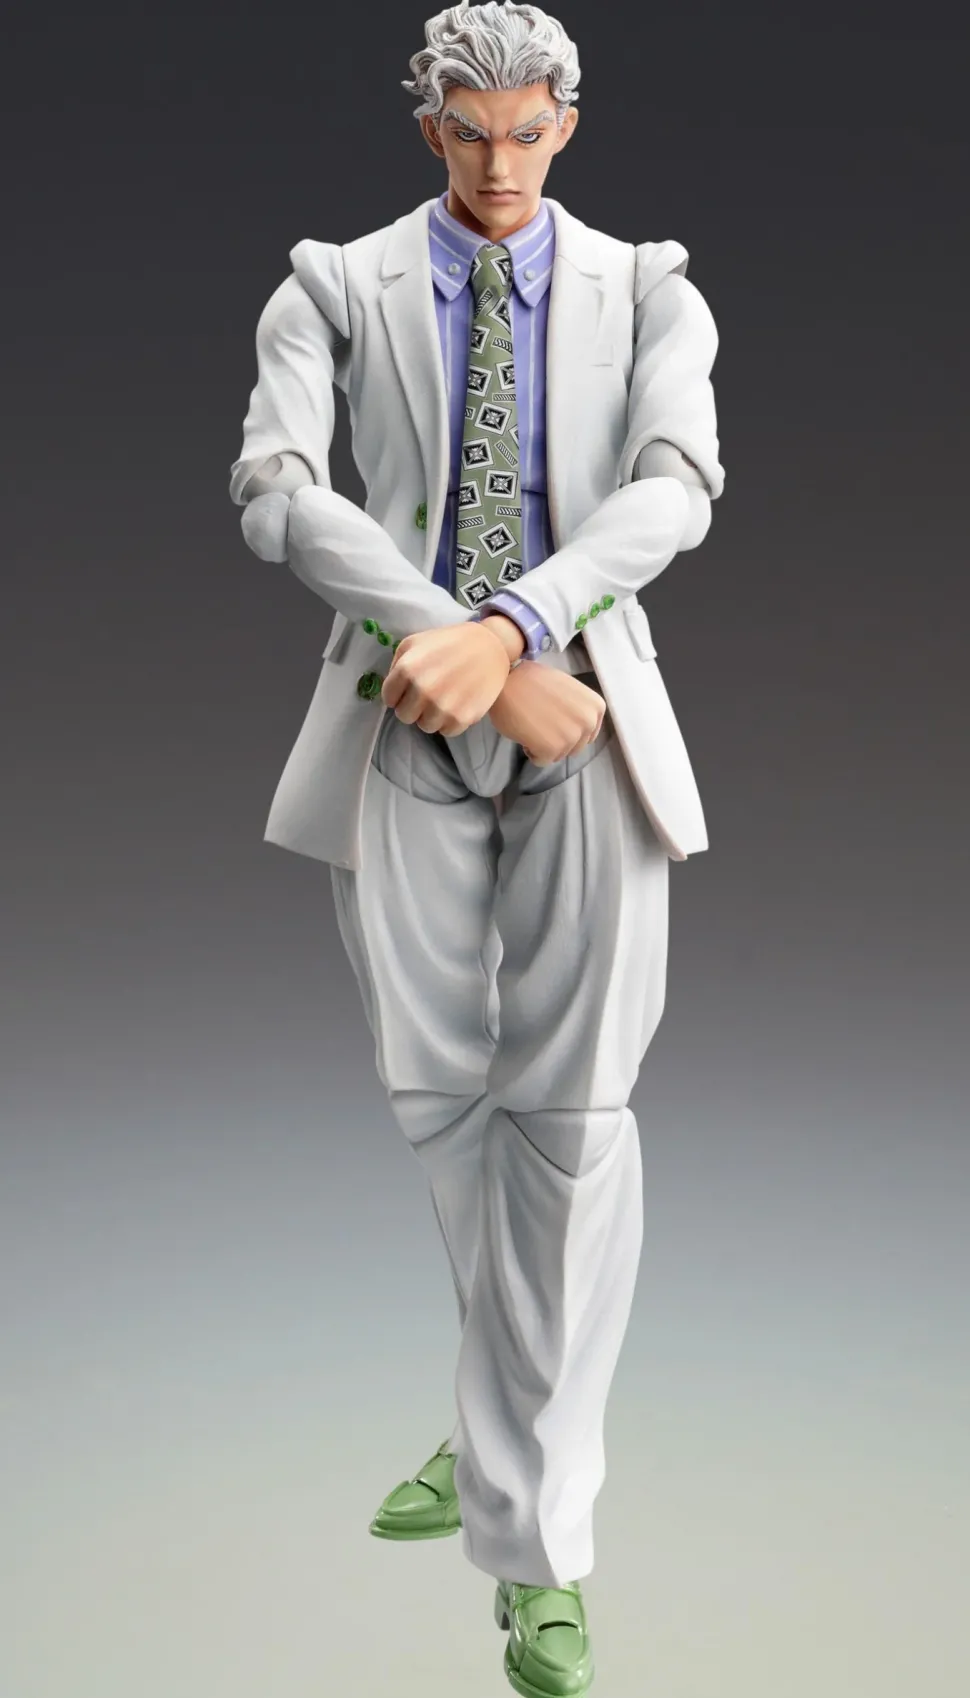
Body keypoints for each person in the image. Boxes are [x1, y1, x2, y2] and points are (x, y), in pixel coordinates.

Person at [229, 3, 724, 1690]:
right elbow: (276, 487)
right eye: (468, 131)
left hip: (586, 716)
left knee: (572, 1124)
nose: (499, 163)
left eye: (526, 131)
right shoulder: (331, 285)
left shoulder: (648, 289)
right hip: (398, 715)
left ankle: (536, 1546)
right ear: (426, 124)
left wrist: (516, 632)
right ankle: (501, 1405)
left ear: (564, 123)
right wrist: (438, 636)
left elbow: (674, 489)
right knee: (439, 1098)